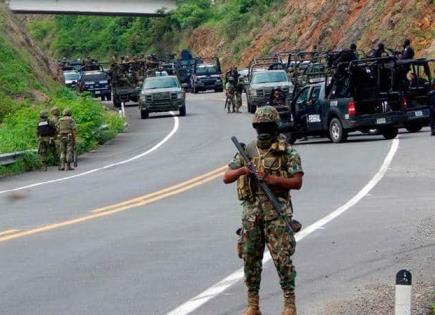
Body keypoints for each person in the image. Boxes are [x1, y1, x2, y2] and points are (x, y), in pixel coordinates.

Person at [223, 106, 304, 315]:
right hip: (252, 214)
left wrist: (271, 179)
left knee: (282, 258)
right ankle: (253, 305)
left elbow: (297, 182)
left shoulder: (287, 151)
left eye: (267, 126)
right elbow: (226, 177)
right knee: (250, 258)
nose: (263, 131)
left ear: (275, 127)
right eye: (260, 127)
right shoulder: (248, 151)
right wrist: (244, 170)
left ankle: (289, 304)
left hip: (277, 212)